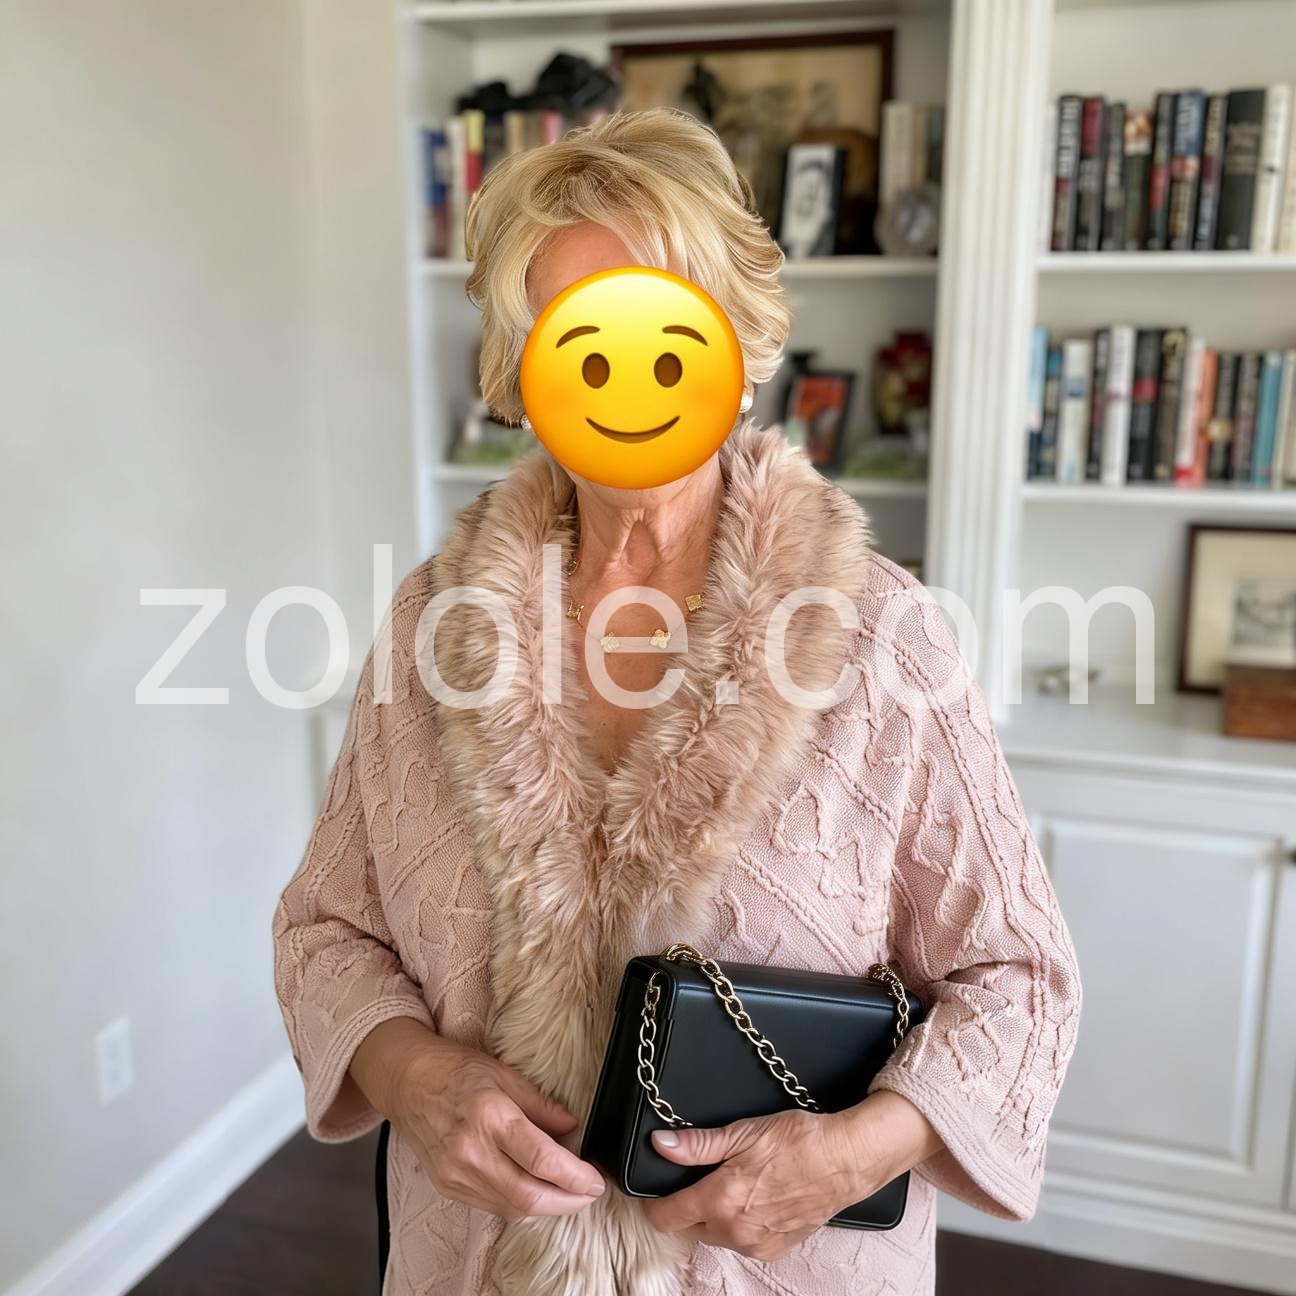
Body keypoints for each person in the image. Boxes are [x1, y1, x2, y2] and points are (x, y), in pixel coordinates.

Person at [272, 107, 1082, 1296]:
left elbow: (1021, 980)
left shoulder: (883, 636)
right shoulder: (432, 626)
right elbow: (325, 931)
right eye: (574, 329)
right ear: (520, 371)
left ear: (736, 344)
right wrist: (411, 1079)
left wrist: (859, 1150)